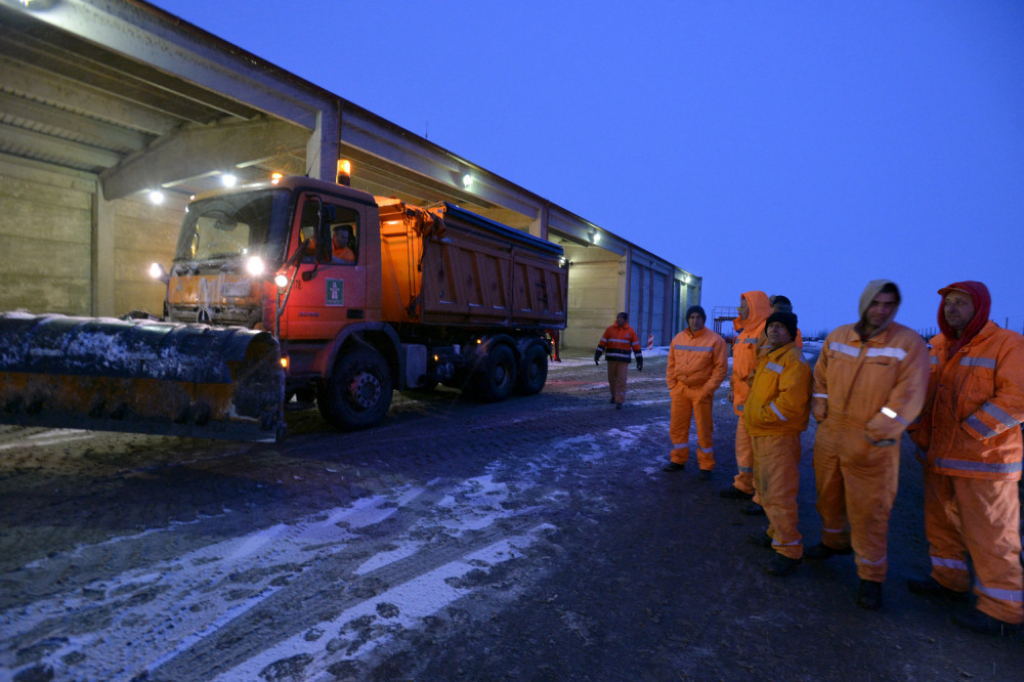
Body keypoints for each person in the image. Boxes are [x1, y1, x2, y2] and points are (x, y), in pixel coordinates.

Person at [907, 281, 1024, 635]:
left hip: (984, 461)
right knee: (941, 523)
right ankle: (948, 579)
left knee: (992, 535)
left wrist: (972, 432)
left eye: (960, 302)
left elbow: (1017, 397)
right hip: (940, 457)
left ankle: (1003, 610)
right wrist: (915, 428)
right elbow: (917, 391)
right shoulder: (938, 347)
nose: (951, 308)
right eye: (947, 303)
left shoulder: (1008, 344)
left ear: (981, 307)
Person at [808, 279, 930, 610]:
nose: (882, 310)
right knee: (828, 496)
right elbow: (820, 375)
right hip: (831, 434)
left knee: (870, 512)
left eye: (889, 304)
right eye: (876, 303)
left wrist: (879, 428)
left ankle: (871, 577)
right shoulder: (838, 337)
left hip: (873, 442)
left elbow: (909, 396)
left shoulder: (908, 343)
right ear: (864, 303)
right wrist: (820, 406)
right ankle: (833, 542)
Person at [745, 311, 812, 576]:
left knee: (779, 494)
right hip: (764, 434)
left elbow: (790, 405)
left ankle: (789, 550)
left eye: (780, 327)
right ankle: (775, 533)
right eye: (771, 326)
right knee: (766, 489)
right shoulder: (772, 356)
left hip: (779, 436)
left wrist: (762, 415)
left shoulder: (793, 360)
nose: (774, 330)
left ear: (791, 332)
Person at [718, 291, 771, 515]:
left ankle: (762, 497)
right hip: (743, 402)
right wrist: (733, 388)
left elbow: (767, 370)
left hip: (759, 403)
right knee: (744, 448)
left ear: (756, 306)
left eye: (744, 305)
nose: (739, 309)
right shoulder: (743, 333)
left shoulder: (766, 331)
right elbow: (739, 366)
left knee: (762, 452)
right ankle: (743, 485)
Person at [663, 305, 728, 480]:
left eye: (698, 317)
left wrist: (707, 390)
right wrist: (673, 386)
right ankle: (678, 459)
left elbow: (720, 369)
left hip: (701, 391)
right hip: (680, 390)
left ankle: (706, 465)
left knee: (704, 429)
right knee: (677, 427)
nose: (695, 320)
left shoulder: (715, 340)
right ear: (687, 319)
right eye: (691, 317)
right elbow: (671, 364)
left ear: (704, 319)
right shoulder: (678, 338)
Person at [595, 312, 643, 410]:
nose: (619, 320)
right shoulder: (610, 330)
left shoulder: (630, 332)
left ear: (625, 320)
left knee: (621, 380)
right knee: (612, 379)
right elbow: (602, 343)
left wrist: (639, 360)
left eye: (621, 318)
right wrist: (597, 354)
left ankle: (619, 400)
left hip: (623, 361)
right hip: (611, 359)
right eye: (618, 318)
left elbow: (636, 347)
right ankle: (613, 395)